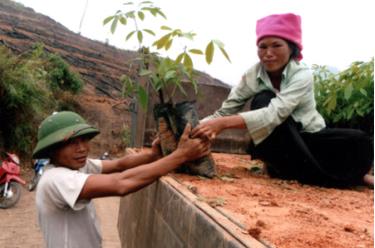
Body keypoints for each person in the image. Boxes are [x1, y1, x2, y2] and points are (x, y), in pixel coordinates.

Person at [192, 13, 373, 187]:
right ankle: (345, 178)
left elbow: (274, 114)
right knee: (263, 99)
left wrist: (222, 124)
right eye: (262, 47)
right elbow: (225, 111)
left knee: (360, 142)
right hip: (280, 142)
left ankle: (289, 170)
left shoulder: (302, 74)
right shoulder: (252, 75)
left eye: (276, 46)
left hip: (309, 137)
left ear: (292, 48)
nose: (268, 53)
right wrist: (195, 128)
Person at [32, 111, 210, 248]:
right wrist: (181, 155)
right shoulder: (54, 179)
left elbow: (119, 165)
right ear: (51, 150)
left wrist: (153, 155)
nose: (82, 148)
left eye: (84, 140)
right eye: (71, 143)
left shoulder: (75, 165)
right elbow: (120, 184)